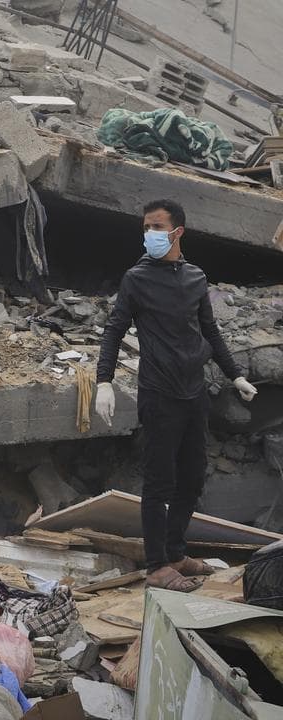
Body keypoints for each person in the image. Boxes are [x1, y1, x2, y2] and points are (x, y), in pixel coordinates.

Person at [95, 199, 257, 592]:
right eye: (146, 227)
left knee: (192, 478)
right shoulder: (136, 278)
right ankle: (156, 566)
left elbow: (210, 331)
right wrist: (104, 381)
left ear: (177, 231)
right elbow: (115, 329)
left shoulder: (195, 277)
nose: (149, 233)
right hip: (159, 393)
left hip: (193, 392)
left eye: (156, 226)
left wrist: (235, 375)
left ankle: (175, 552)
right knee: (159, 483)